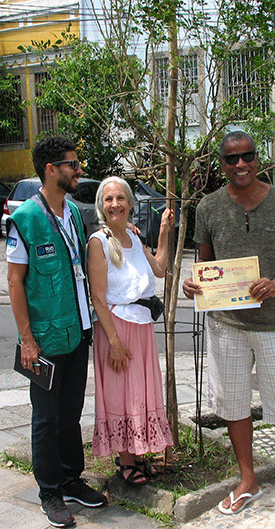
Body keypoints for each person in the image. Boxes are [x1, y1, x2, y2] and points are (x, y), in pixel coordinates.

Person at [182, 130, 275, 515]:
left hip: (274, 322)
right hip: (225, 324)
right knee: (233, 403)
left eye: (247, 156)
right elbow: (206, 264)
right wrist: (195, 284)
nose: (240, 164)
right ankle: (248, 479)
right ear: (222, 164)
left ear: (257, 159)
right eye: (231, 159)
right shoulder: (208, 208)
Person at [6, 136, 107, 528]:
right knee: (45, 417)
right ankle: (49, 491)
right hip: (45, 339)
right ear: (51, 169)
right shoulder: (26, 220)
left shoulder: (75, 215)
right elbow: (16, 283)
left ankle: (70, 479)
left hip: (78, 331)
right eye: (73, 164)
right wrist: (26, 339)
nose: (78, 170)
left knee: (70, 413)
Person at [88, 177, 175, 485]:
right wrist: (113, 340)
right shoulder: (98, 243)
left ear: (130, 204)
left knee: (138, 392)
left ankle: (137, 454)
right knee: (120, 392)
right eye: (109, 199)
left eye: (120, 198)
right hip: (116, 327)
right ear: (102, 205)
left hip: (139, 326)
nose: (115, 204)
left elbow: (160, 269)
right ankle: (125, 460)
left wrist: (164, 231)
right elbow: (97, 296)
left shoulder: (134, 239)